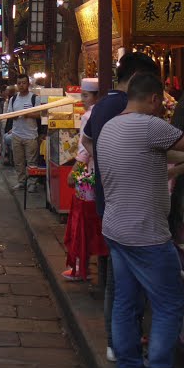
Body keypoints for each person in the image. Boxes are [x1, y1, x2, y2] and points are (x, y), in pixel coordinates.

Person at [97, 72, 184, 368]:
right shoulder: (150, 125)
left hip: (116, 229)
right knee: (169, 305)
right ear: (155, 99)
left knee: (125, 303)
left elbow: (153, 156)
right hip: (145, 234)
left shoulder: (110, 127)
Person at [82, 52, 161, 361]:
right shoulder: (124, 106)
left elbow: (88, 142)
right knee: (123, 281)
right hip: (127, 205)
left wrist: (106, 165)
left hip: (111, 199)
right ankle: (118, 341)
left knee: (120, 278)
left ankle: (120, 339)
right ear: (138, 76)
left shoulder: (102, 105)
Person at [62, 79, 105, 281]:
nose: (83, 100)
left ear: (96, 96)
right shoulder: (107, 113)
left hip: (90, 175)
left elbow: (84, 150)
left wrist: (74, 172)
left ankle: (80, 267)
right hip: (105, 175)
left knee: (82, 223)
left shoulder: (89, 116)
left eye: (86, 96)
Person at [6, 74, 40, 192]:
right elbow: (9, 114)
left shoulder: (34, 98)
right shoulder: (13, 99)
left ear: (28, 84)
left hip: (30, 135)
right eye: (19, 83)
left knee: (31, 161)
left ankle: (32, 183)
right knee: (18, 161)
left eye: (23, 83)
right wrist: (13, 116)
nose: (21, 85)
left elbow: (40, 114)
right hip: (17, 134)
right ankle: (21, 182)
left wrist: (28, 114)